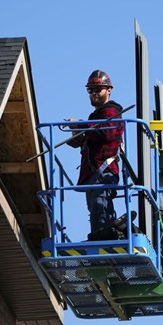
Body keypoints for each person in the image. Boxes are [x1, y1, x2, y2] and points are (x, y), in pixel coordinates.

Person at [68, 70, 124, 241]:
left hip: (104, 170)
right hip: (94, 173)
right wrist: (80, 135)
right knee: (97, 210)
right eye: (91, 90)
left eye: (98, 89)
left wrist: (81, 126)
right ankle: (102, 236)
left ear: (109, 90)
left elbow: (106, 133)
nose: (94, 93)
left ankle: (103, 238)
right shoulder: (97, 116)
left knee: (101, 208)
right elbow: (95, 135)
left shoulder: (111, 111)